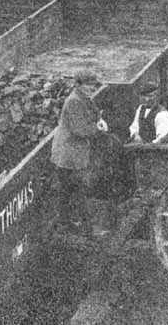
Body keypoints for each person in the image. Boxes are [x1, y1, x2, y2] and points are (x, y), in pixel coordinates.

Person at [50, 70, 109, 235]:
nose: (92, 88)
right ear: (78, 85)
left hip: (71, 153)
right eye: (88, 85)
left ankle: (65, 224)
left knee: (67, 190)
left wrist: (99, 120)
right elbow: (80, 130)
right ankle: (87, 229)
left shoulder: (83, 98)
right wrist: (97, 128)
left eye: (93, 85)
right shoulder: (74, 102)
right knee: (80, 190)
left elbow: (94, 114)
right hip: (69, 155)